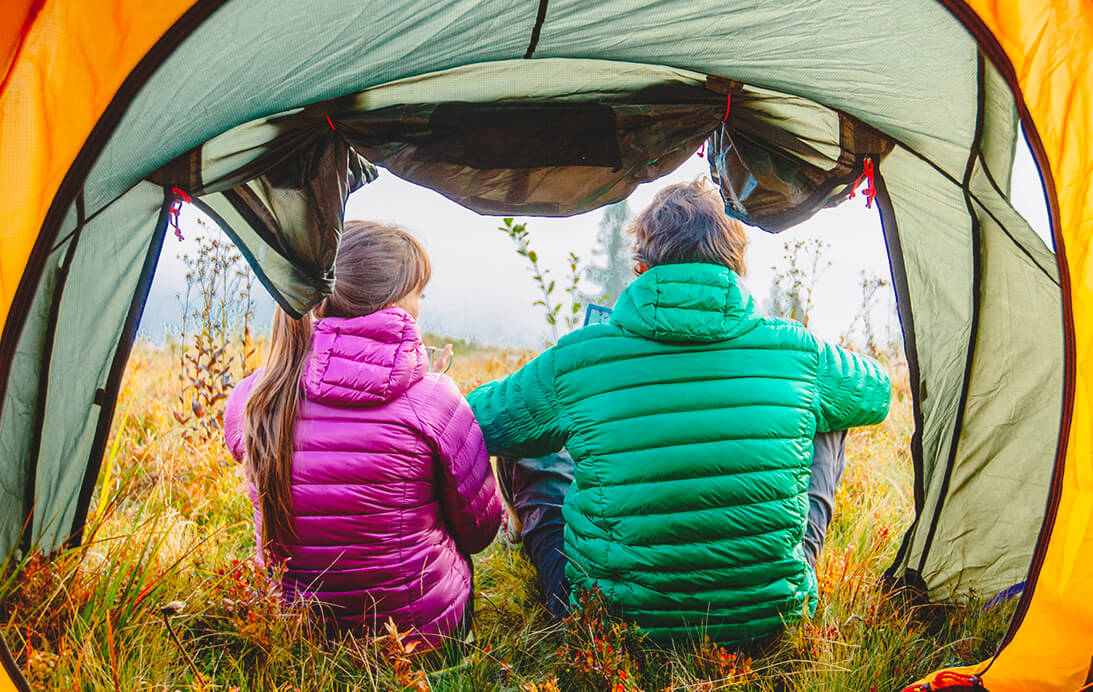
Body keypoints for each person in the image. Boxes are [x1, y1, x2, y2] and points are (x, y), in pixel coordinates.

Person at [467, 179, 891, 645]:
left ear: (642, 269)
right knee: (831, 415)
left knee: (525, 438)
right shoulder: (798, 350)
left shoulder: (578, 358)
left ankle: (531, 533)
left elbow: (477, 423)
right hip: (772, 614)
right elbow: (876, 393)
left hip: (611, 622)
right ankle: (776, 572)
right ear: (735, 267)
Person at [223, 220, 501, 648]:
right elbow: (480, 531)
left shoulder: (256, 396)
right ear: (396, 301)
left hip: (290, 629)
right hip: (416, 638)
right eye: (418, 293)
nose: (421, 305)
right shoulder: (435, 401)